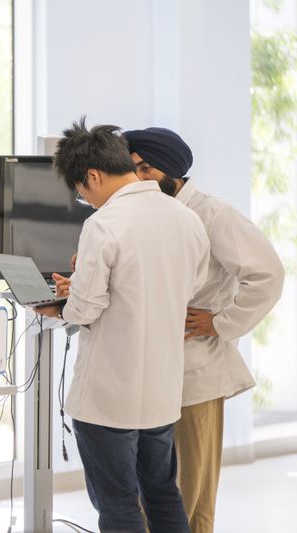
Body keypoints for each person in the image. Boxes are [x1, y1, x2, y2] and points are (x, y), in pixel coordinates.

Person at [34, 118, 210, 533]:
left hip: (109, 397)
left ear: (92, 175)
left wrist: (63, 306)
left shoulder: (104, 224)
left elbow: (87, 308)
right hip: (162, 392)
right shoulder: (186, 218)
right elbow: (191, 284)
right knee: (164, 494)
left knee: (117, 505)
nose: (86, 200)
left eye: (81, 191)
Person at [121, 127, 285, 533]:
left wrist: (221, 321)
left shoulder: (213, 213)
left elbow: (268, 274)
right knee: (155, 492)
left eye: (146, 168)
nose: (139, 178)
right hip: (151, 371)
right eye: (132, 169)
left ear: (173, 170)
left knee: (191, 496)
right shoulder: (144, 214)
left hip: (197, 373)